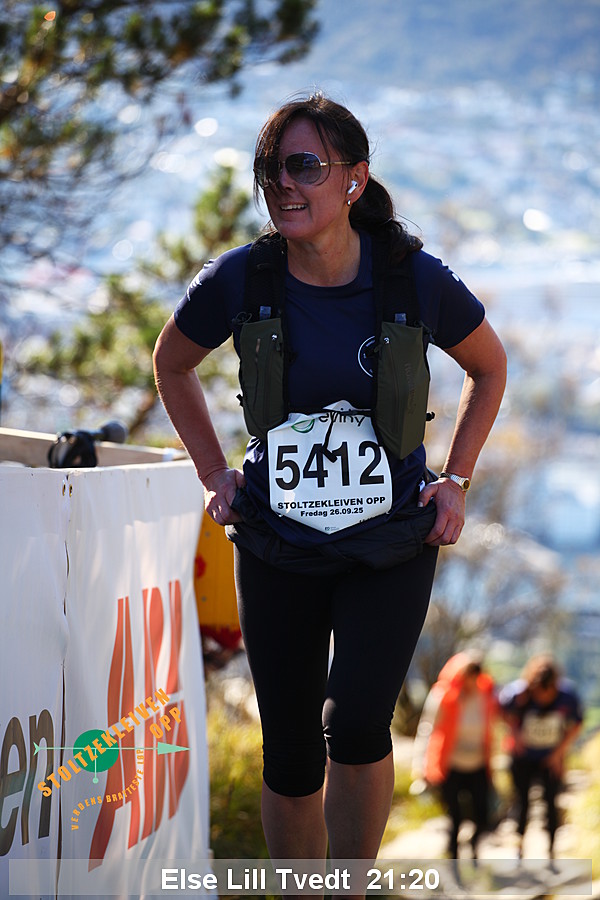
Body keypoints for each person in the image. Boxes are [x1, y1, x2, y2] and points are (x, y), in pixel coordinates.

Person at [153, 92, 507, 872]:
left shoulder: (413, 278)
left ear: (354, 179)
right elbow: (170, 363)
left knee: (355, 728)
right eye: (271, 169)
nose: (283, 183)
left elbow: (489, 366)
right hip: (276, 539)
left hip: (391, 539)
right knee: (288, 749)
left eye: (304, 166)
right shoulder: (241, 277)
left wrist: (456, 479)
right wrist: (213, 471)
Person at [412, 651, 498, 859]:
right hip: (450, 765)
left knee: (481, 813)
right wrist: (421, 765)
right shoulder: (443, 696)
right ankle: (453, 858)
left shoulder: (485, 695)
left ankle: (474, 849)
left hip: (478, 764)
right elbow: (427, 729)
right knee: (454, 815)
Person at [499, 655, 583, 859]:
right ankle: (519, 848)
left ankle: (551, 850)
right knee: (522, 803)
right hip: (523, 758)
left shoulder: (567, 696)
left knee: (551, 803)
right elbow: (501, 710)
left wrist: (558, 753)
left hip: (550, 760)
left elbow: (577, 724)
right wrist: (515, 735)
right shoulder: (518, 694)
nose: (544, 698)